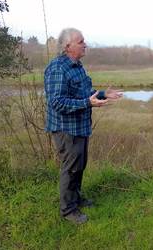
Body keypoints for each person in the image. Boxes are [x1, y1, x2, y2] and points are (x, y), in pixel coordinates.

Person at [44, 28, 123, 224]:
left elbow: (85, 92)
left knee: (79, 166)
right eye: (81, 41)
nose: (85, 44)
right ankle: (68, 210)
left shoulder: (77, 66)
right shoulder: (57, 69)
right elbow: (57, 102)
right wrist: (87, 103)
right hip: (66, 129)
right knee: (70, 168)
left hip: (80, 127)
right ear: (67, 46)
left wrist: (103, 94)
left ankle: (75, 198)